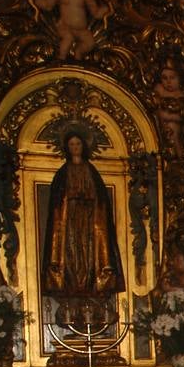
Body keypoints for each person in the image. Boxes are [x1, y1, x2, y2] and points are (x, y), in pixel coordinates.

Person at [41, 131, 124, 318]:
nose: (75, 147)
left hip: (90, 223)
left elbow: (101, 203)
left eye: (78, 144)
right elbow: (57, 206)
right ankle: (73, 287)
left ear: (83, 146)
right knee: (71, 254)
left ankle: (91, 286)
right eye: (72, 144)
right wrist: (71, 202)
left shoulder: (91, 171)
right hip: (69, 223)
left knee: (90, 256)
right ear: (67, 147)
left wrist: (88, 202)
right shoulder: (63, 173)